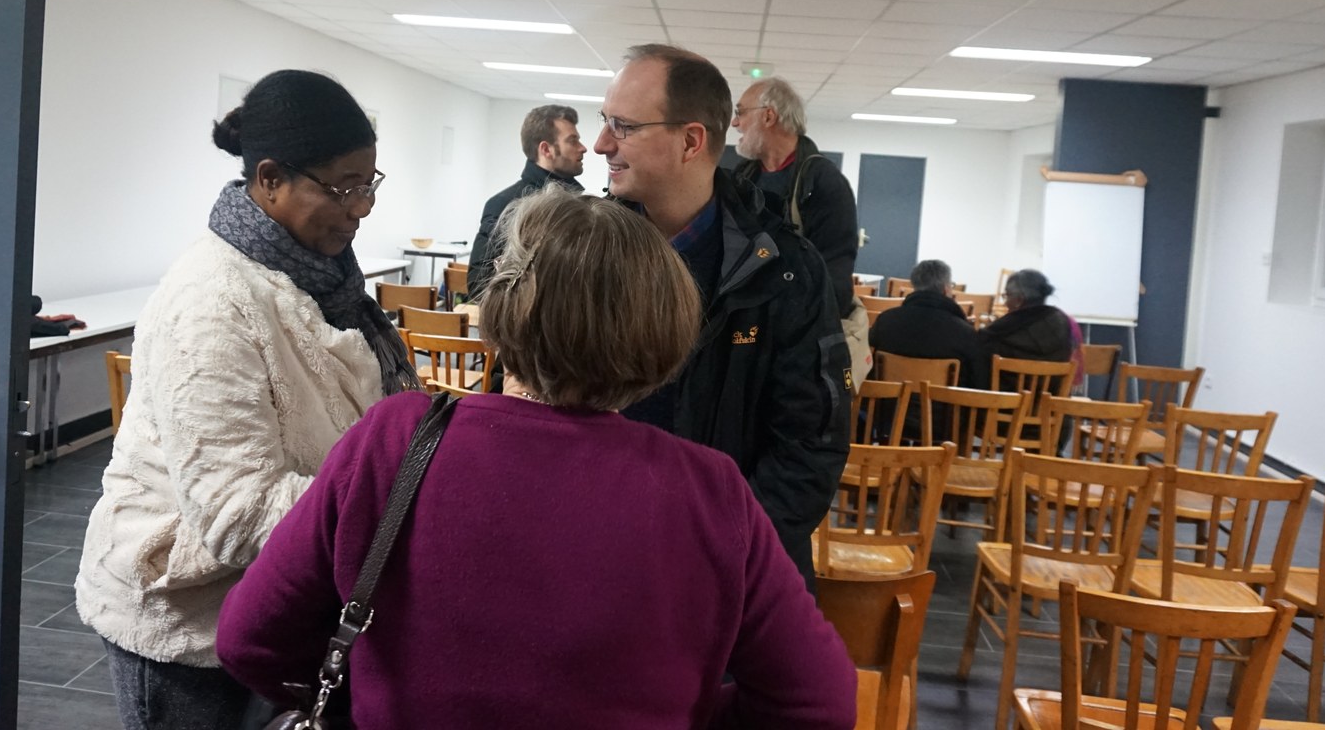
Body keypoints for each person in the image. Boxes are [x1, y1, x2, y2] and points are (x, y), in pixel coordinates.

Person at [216, 188, 856, 729]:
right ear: (666, 330)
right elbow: (820, 703)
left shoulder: (397, 440)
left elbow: (251, 639)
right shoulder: (710, 491)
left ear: (502, 304)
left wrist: (371, 697)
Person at [76, 70, 419, 730]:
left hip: (272, 609)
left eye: (369, 183)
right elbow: (236, 513)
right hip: (189, 625)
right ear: (269, 179)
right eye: (344, 187)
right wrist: (396, 498)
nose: (363, 207)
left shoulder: (322, 279)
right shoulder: (210, 301)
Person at [594, 44, 852, 588]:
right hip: (599, 557)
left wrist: (715, 552)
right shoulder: (583, 252)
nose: (601, 144)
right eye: (604, 121)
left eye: (623, 126)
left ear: (691, 141)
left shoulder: (786, 270)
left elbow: (808, 449)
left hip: (726, 574)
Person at [731, 77, 870, 388]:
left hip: (799, 345)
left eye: (740, 112)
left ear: (769, 116)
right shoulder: (743, 177)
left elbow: (833, 280)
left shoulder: (824, 183)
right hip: (745, 333)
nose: (734, 123)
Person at [465, 103, 585, 299]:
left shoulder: (581, 205)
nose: (583, 148)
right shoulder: (504, 205)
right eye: (572, 141)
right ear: (546, 149)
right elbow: (479, 284)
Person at [870, 259, 986, 437]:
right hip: (944, 426)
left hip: (888, 419)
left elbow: (866, 366)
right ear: (946, 289)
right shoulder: (965, 333)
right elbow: (978, 385)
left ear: (914, 286)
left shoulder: (886, 321)